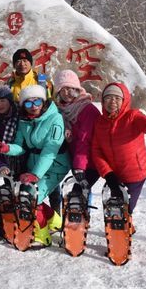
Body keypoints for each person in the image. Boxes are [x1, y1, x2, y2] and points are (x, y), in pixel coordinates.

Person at [91, 82, 146, 228]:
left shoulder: (132, 117)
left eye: (117, 98)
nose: (112, 101)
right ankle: (123, 227)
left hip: (135, 173)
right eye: (108, 98)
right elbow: (96, 151)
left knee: (124, 207)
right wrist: (108, 174)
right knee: (114, 206)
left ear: (124, 100)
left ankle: (125, 229)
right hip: (114, 175)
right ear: (103, 101)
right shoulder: (99, 122)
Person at [0, 85, 70, 247]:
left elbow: (50, 150)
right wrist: (7, 148)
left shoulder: (55, 118)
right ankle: (54, 219)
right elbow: (20, 146)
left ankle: (43, 236)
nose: (34, 106)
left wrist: (35, 175)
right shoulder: (24, 121)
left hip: (55, 164)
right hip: (34, 163)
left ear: (43, 102)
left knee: (31, 196)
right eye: (28, 103)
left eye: (37, 101)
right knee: (22, 193)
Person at [52, 70, 101, 202]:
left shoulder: (87, 109)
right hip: (76, 159)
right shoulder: (61, 110)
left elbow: (84, 140)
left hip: (91, 161)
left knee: (78, 195)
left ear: (78, 90)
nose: (67, 93)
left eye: (71, 89)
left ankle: (83, 218)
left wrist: (79, 167)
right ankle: (85, 218)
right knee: (82, 193)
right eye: (63, 89)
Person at [0, 85, 24, 178]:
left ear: (10, 102)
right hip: (2, 165)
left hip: (23, 163)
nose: (0, 105)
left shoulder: (21, 116)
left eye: (3, 101)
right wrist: (0, 164)